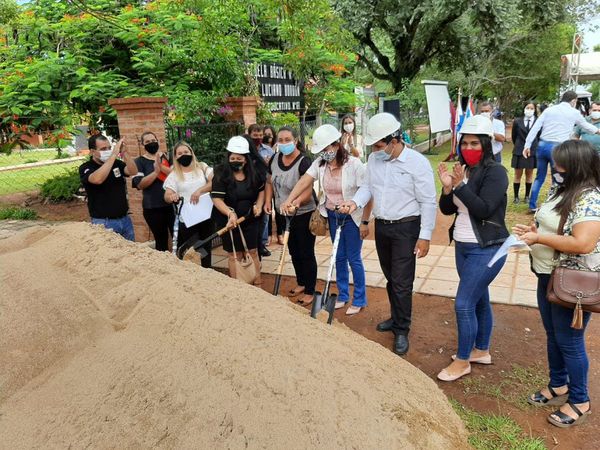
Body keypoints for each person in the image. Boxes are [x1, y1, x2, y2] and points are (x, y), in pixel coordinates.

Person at [514, 140, 600, 428]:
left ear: (576, 167)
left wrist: (540, 239)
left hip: (572, 282)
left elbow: (583, 243)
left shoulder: (590, 198)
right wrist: (534, 230)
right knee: (553, 335)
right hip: (547, 274)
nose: (555, 169)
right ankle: (558, 385)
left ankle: (580, 400)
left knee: (570, 342)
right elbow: (554, 224)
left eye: (560, 165)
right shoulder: (562, 188)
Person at [338, 113, 437, 356]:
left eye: (380, 145)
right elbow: (368, 188)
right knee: (392, 278)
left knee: (403, 282)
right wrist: (354, 203)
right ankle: (395, 317)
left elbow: (428, 201)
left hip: (407, 227)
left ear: (394, 140)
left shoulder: (417, 163)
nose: (376, 150)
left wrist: (425, 235)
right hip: (383, 227)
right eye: (373, 145)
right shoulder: (374, 160)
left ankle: (402, 329)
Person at [436, 115, 509, 381]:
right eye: (465, 143)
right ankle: (481, 350)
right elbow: (447, 210)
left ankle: (463, 360)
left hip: (487, 247)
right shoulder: (462, 170)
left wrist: (459, 186)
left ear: (486, 145)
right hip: (463, 246)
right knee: (479, 298)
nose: (469, 148)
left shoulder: (496, 172)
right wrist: (447, 189)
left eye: (475, 144)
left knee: (464, 304)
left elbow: (484, 208)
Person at [281, 124, 371, 315]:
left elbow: (366, 189)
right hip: (331, 214)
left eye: (326, 149)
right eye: (321, 150)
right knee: (338, 256)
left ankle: (360, 299)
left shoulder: (354, 164)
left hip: (351, 216)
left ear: (336, 145)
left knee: (353, 257)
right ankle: (343, 295)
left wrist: (356, 207)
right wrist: (289, 200)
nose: (324, 153)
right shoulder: (320, 163)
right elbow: (305, 180)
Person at [264, 126, 317, 306]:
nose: (284, 143)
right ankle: (301, 282)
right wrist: (267, 202)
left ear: (295, 141)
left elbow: (308, 191)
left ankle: (310, 290)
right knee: (293, 251)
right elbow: (269, 181)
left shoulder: (304, 162)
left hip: (302, 213)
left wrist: (296, 203)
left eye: (288, 140)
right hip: (282, 212)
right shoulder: (274, 158)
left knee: (306, 252)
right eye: (281, 140)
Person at [524, 91, 600, 213]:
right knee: (559, 177)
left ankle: (532, 205)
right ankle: (557, 204)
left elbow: (536, 127)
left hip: (542, 145)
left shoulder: (549, 110)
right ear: (573, 101)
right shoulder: (574, 112)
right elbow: (585, 125)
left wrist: (527, 145)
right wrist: (597, 131)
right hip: (558, 148)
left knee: (539, 177)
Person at [211, 136, 265, 286]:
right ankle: (238, 286)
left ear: (246, 159)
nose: (235, 161)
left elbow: (261, 190)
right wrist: (230, 213)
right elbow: (217, 199)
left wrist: (259, 205)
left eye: (239, 158)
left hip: (250, 218)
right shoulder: (221, 174)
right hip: (228, 221)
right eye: (232, 158)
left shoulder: (253, 173)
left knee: (252, 251)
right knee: (234, 254)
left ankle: (257, 284)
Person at [163, 141, 214, 267]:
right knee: (193, 249)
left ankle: (208, 274)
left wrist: (199, 191)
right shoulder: (174, 174)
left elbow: (215, 182)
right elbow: (166, 196)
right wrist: (171, 196)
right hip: (187, 219)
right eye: (179, 153)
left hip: (206, 215)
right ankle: (196, 273)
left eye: (186, 152)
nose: (183, 155)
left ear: (191, 152)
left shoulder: (202, 167)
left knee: (206, 248)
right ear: (175, 157)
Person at [80, 134, 137, 241]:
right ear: (92, 151)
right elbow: (98, 179)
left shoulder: (117, 164)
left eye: (109, 148)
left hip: (125, 220)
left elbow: (133, 171)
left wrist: (125, 153)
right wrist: (113, 155)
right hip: (103, 223)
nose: (108, 151)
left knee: (131, 255)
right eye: (103, 149)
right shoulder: (86, 167)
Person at [132, 132, 174, 251]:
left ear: (157, 140)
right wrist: (155, 172)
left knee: (179, 237)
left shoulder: (167, 157)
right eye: (148, 142)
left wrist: (161, 167)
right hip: (153, 208)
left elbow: (177, 176)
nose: (151, 143)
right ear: (143, 145)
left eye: (153, 140)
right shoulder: (139, 162)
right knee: (161, 241)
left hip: (172, 205)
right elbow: (139, 184)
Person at [245, 130, 272, 258]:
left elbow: (264, 183)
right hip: (242, 205)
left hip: (257, 203)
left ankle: (260, 247)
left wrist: (262, 203)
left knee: (259, 229)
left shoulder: (257, 163)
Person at [511, 103, 539, 205]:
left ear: (535, 110)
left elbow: (539, 136)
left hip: (532, 150)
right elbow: (514, 136)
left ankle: (527, 196)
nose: (529, 110)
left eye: (532, 108)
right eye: (527, 108)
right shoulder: (517, 121)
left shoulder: (538, 121)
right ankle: (516, 197)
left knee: (529, 174)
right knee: (517, 174)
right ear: (524, 109)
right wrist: (519, 146)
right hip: (519, 150)